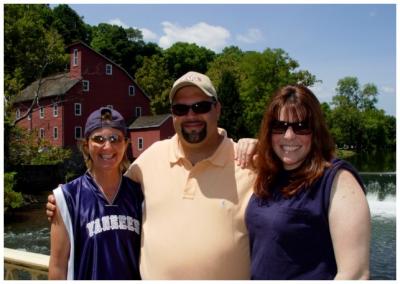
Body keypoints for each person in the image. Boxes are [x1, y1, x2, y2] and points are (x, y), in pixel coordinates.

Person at [47, 71, 256, 280]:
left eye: (200, 106)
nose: (191, 115)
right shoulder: (152, 157)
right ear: (173, 114)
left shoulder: (250, 165)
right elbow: (107, 180)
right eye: (181, 109)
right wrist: (63, 202)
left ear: (217, 109)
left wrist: (261, 148)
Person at [245, 85, 371, 280]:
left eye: (301, 127)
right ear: (269, 131)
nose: (289, 136)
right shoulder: (269, 174)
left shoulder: (338, 180)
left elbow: (355, 274)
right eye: (279, 126)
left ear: (316, 131)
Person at [48, 107, 143, 280]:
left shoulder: (140, 195)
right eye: (99, 139)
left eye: (115, 139)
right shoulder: (66, 198)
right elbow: (58, 265)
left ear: (126, 144)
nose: (107, 147)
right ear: (86, 145)